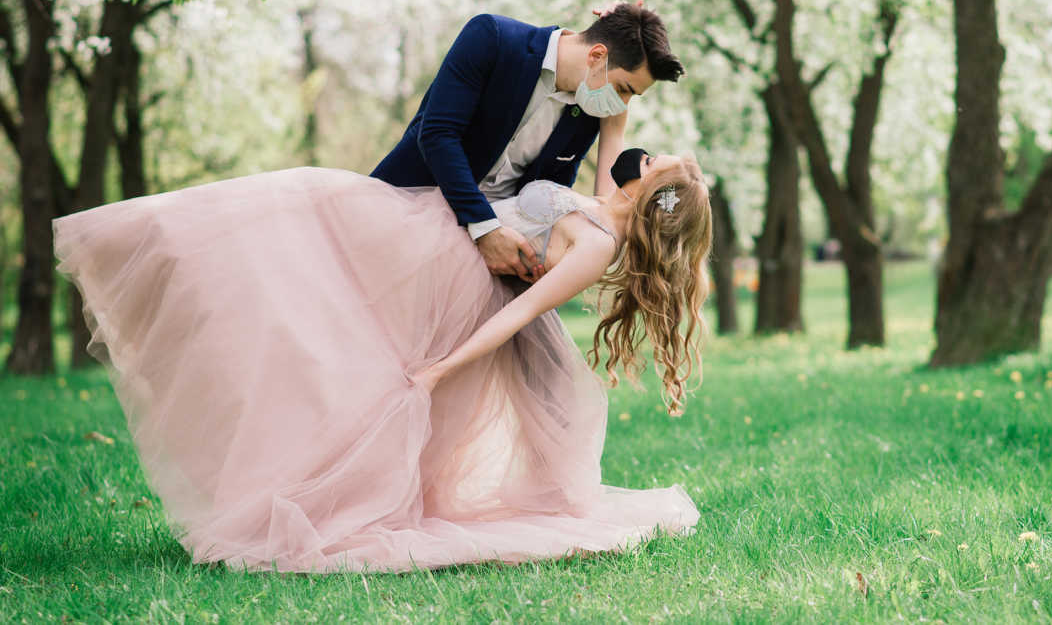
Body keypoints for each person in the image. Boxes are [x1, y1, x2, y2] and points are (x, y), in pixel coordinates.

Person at [52, 144, 712, 573]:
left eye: (661, 159)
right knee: (288, 206)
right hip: (425, 230)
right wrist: (622, 33)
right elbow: (612, 135)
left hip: (444, 276)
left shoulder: (599, 242)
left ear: (658, 192)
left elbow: (521, 311)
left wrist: (441, 369)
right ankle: (130, 246)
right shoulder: (601, 203)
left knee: (304, 258)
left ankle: (303, 492)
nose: (648, 153)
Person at [370, 0, 684, 285]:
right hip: (407, 208)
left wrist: (613, 128)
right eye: (623, 89)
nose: (621, 104)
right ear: (597, 55)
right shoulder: (492, 38)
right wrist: (485, 228)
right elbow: (438, 133)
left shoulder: (589, 109)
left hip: (484, 263)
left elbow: (557, 189)